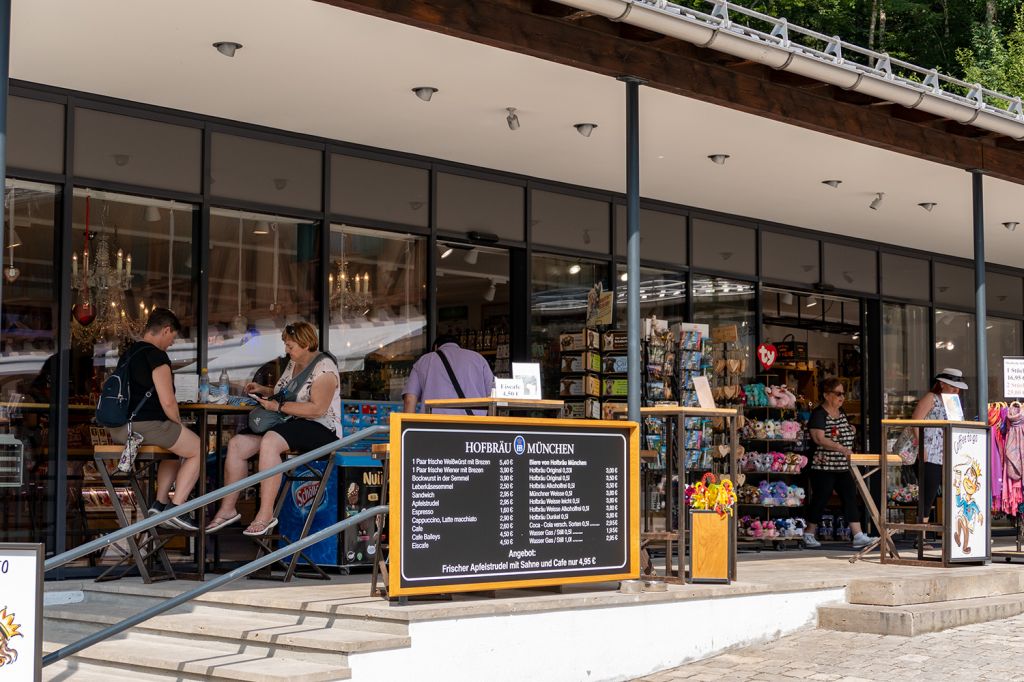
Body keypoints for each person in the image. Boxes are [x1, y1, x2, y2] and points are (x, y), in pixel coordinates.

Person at [206, 321, 341, 537]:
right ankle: (228, 508)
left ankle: (266, 513)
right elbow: (286, 393)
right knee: (237, 444)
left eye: (291, 346)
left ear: (307, 344)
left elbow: (318, 409)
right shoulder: (293, 364)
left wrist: (277, 406)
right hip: (289, 422)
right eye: (286, 345)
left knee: (270, 440)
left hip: (321, 428)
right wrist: (264, 390)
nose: (287, 351)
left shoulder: (324, 368)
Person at [105, 308, 202, 531]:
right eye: (172, 338)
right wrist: (178, 424)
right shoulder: (157, 356)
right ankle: (177, 508)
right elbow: (168, 401)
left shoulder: (128, 354)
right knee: (198, 447)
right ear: (166, 330)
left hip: (120, 428)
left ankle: (159, 505)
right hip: (144, 426)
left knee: (176, 448)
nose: (171, 344)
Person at [802, 377, 877, 549]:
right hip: (823, 466)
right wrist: (841, 448)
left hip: (843, 465)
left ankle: (857, 534)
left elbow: (840, 430)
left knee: (850, 497)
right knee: (821, 498)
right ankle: (809, 532)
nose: (842, 397)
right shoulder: (819, 414)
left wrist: (851, 430)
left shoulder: (841, 411)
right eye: (838, 394)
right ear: (827, 395)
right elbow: (819, 438)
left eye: (843, 393)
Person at [912, 368, 968, 527]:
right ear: (942, 384)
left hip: (947, 453)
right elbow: (915, 421)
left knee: (953, 492)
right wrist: (921, 446)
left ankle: (953, 531)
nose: (956, 390)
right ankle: (920, 535)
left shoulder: (954, 402)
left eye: (957, 387)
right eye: (952, 386)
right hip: (929, 451)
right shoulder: (931, 398)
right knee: (928, 492)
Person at [402, 335, 494, 415]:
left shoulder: (423, 361)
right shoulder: (478, 359)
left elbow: (409, 400)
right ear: (459, 346)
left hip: (433, 426)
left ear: (435, 347)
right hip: (475, 425)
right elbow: (493, 396)